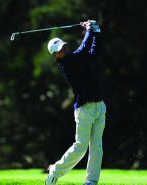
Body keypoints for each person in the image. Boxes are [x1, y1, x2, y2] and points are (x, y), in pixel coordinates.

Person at [45, 20, 106, 185]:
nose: (63, 50)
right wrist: (89, 30)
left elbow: (95, 50)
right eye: (59, 50)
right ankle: (54, 171)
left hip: (99, 106)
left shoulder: (78, 58)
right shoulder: (67, 64)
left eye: (63, 46)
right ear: (55, 55)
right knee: (81, 147)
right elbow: (85, 47)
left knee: (97, 148)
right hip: (84, 109)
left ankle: (91, 181)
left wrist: (96, 30)